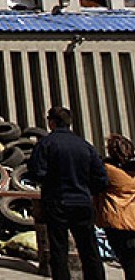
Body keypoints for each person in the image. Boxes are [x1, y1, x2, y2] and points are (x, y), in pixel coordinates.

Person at [27, 106, 109, 280]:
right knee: (89, 249)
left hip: (57, 202)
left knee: (59, 250)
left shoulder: (46, 144)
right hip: (82, 202)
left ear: (51, 122)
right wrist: (87, 190)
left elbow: (36, 172)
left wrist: (51, 182)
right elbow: (102, 179)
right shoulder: (85, 145)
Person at [97, 134, 135, 280]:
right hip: (132, 218)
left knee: (128, 262)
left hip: (117, 220)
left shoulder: (108, 171)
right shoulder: (130, 171)